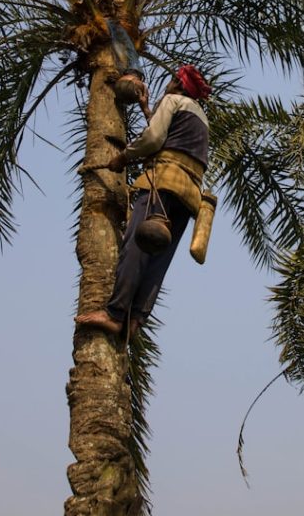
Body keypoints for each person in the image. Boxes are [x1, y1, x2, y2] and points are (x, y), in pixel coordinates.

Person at [75, 65, 211, 338]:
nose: (168, 84)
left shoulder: (173, 100)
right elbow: (171, 138)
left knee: (136, 248)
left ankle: (114, 314)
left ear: (179, 85)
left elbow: (154, 139)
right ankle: (135, 321)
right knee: (159, 260)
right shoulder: (200, 118)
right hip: (189, 197)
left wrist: (124, 157)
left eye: (173, 80)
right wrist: (147, 110)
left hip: (163, 182)